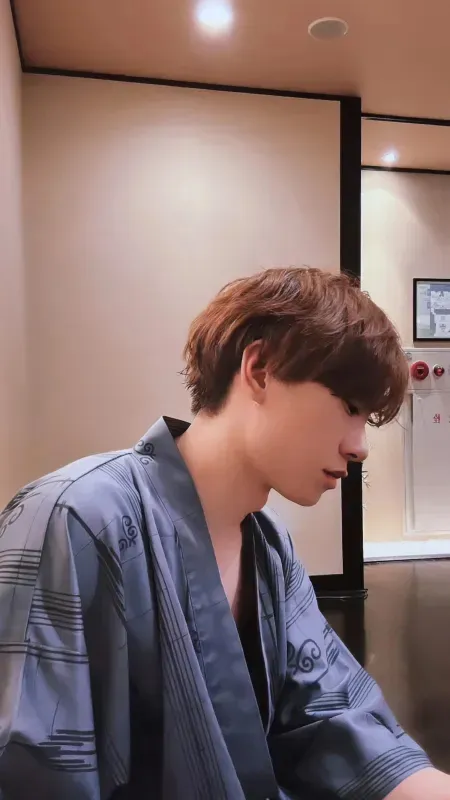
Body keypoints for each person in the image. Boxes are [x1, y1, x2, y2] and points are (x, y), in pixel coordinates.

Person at [0, 267, 448, 800]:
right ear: (259, 369)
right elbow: (31, 766)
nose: (360, 446)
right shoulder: (73, 517)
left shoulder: (271, 546)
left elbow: (330, 715)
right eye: (349, 407)